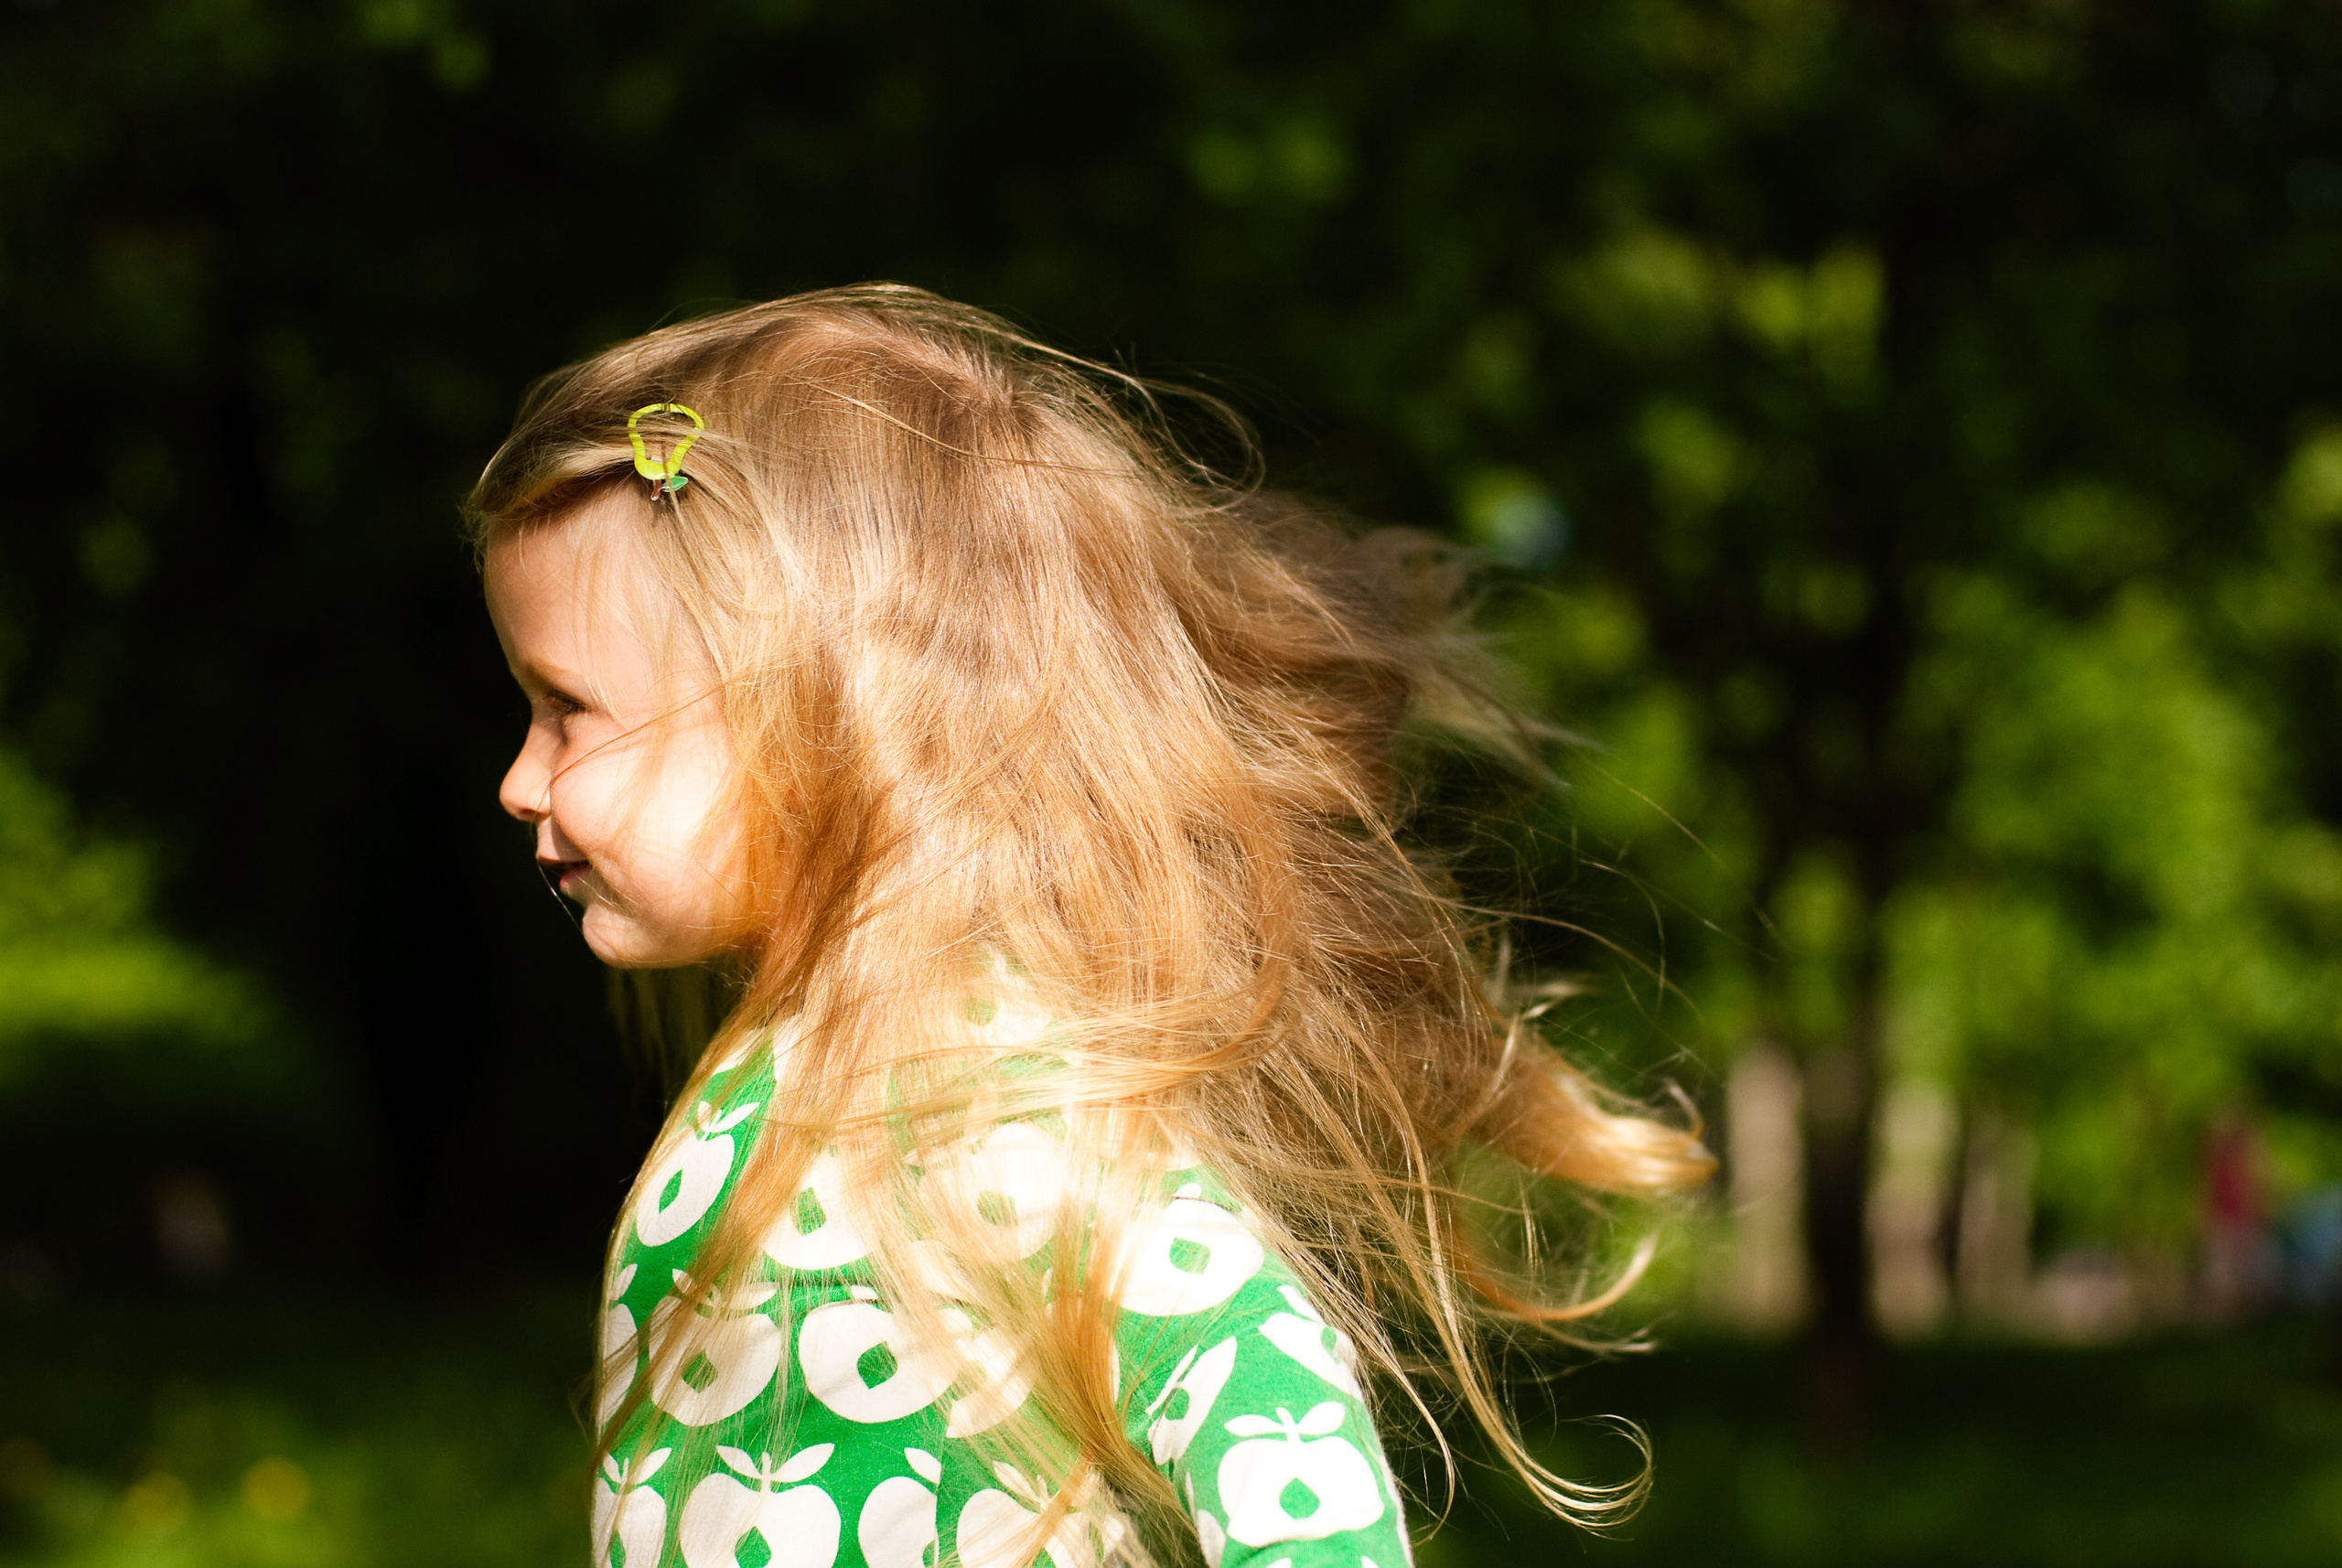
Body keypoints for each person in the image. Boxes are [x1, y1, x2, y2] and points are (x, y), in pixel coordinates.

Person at [469, 285, 1714, 1568]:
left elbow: (1270, 1407)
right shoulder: (803, 1071)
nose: (519, 777)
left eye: (569, 707)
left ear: (834, 713)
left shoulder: (997, 1109)